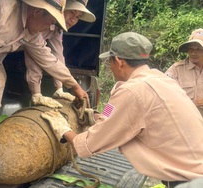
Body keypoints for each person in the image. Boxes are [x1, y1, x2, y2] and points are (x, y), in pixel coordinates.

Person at [41, 32, 203, 188]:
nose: (110, 67)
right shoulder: (159, 79)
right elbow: (121, 117)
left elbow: (90, 144)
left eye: (109, 62)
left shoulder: (132, 90)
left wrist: (62, 129)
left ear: (118, 61)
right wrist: (96, 116)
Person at [0, 0, 90, 132]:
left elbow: (49, 60)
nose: (49, 27)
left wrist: (74, 86)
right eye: (51, 22)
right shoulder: (2, 8)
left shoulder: (32, 34)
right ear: (37, 12)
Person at [24, 0, 96, 108]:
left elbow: (58, 56)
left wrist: (59, 88)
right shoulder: (119, 88)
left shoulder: (119, 90)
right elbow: (37, 56)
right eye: (72, 12)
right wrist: (36, 93)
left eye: (78, 17)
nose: (73, 20)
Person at [165, 28, 203, 116]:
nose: (193, 53)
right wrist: (193, 103)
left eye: (198, 49)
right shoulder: (176, 69)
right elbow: (163, 97)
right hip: (185, 122)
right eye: (191, 49)